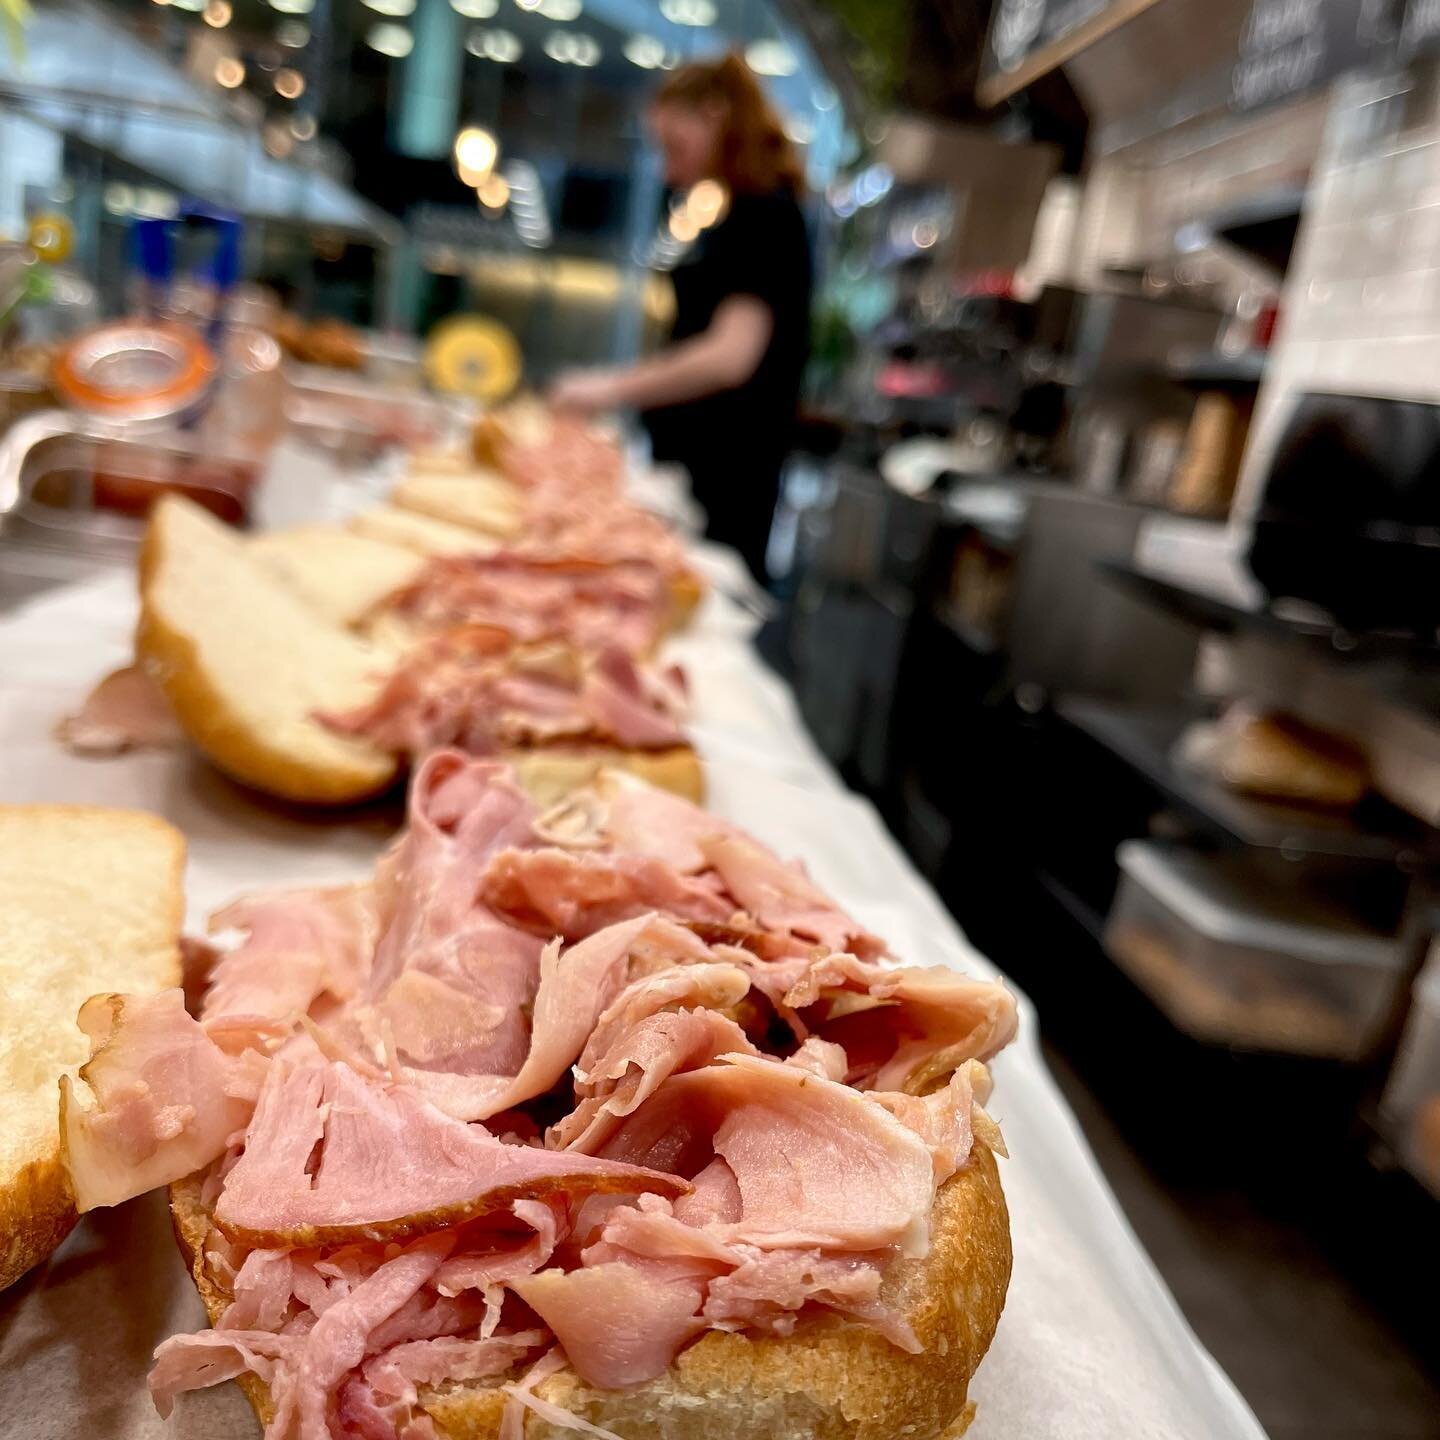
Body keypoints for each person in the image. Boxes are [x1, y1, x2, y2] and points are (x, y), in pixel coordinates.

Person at [550, 53, 813, 583]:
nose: (667, 168)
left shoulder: (763, 215)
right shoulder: (744, 210)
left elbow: (728, 357)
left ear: (715, 116)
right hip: (698, 480)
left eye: (673, 146)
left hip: (724, 487)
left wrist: (608, 387)